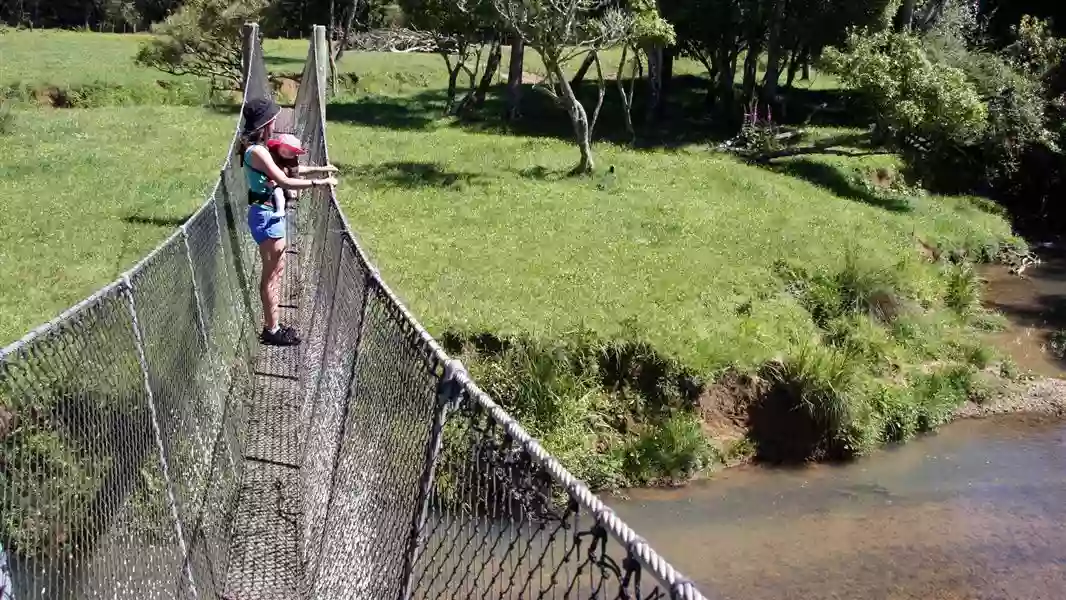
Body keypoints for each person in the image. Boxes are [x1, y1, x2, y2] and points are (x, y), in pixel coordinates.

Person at [240, 97, 338, 346]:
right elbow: (285, 182)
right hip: (267, 217)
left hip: (272, 216)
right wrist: (320, 183)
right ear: (265, 123)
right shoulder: (257, 151)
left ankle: (275, 325)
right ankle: (271, 330)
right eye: (272, 120)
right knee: (271, 276)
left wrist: (321, 169)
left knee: (277, 271)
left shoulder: (260, 150)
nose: (275, 124)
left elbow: (287, 171)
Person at [265, 133, 338, 218]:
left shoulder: (292, 159)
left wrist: (296, 191)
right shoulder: (270, 154)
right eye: (286, 149)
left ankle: (283, 210)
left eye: (292, 152)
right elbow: (283, 178)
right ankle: (280, 209)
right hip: (269, 186)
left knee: (284, 192)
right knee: (278, 190)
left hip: (281, 186)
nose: (288, 153)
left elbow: (295, 173)